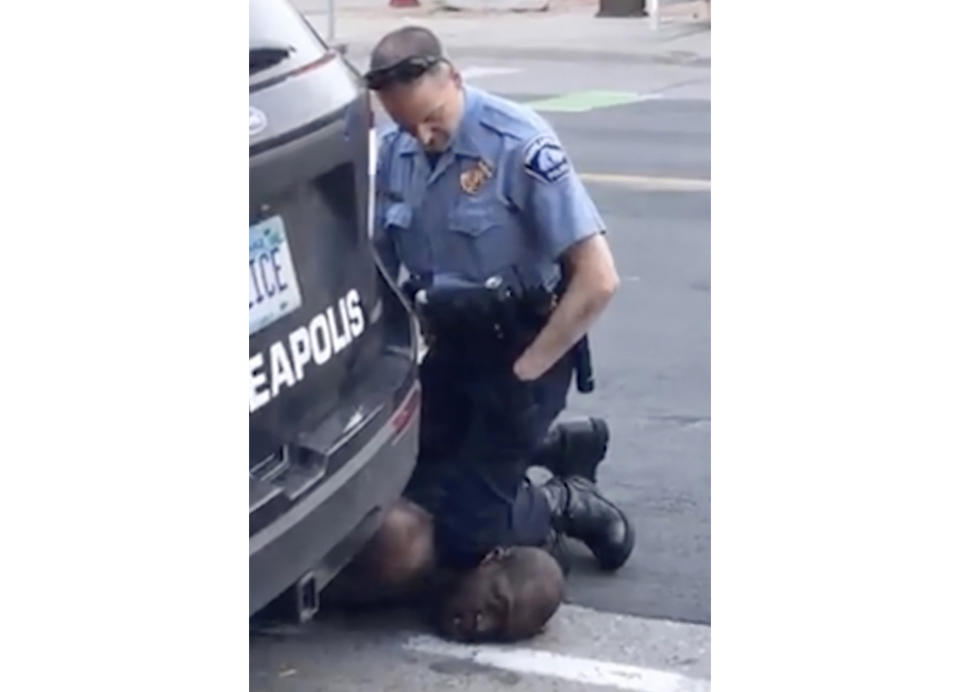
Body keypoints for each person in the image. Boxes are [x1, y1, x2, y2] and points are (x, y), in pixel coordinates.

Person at [322, 26, 635, 621]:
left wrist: (529, 370)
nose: (425, 136)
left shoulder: (519, 145)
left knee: (463, 536)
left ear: (455, 79)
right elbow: (383, 264)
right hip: (451, 348)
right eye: (407, 124)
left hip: (524, 347)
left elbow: (598, 278)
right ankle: (555, 445)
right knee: (412, 478)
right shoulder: (399, 153)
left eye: (433, 120)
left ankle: (564, 500)